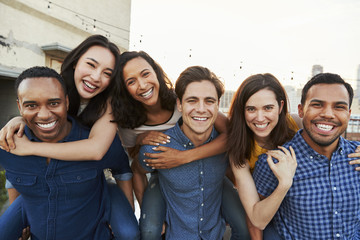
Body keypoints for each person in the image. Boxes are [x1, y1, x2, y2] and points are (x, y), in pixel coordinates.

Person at [0, 35, 139, 239]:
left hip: (92, 181)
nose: (95, 76)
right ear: (75, 63)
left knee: (127, 231)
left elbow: (96, 150)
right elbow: (18, 167)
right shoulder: (51, 85)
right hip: (42, 184)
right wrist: (18, 121)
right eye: (91, 65)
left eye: (107, 73)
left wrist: (30, 147)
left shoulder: (108, 105)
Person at [112, 51, 250, 239]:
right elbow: (137, 164)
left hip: (198, 166)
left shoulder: (184, 97)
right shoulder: (128, 122)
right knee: (150, 229)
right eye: (131, 81)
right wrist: (140, 139)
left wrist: (182, 157)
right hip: (163, 174)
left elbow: (231, 136)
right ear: (181, 104)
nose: (142, 85)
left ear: (156, 72)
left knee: (243, 222)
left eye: (145, 74)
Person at [253, 73, 360, 239]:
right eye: (317, 105)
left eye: (339, 107)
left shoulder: (357, 157)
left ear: (349, 113)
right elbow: (257, 220)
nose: (328, 114)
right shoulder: (273, 163)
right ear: (301, 110)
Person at [138, 65, 229, 239]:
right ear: (179, 104)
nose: (201, 109)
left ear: (218, 105)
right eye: (192, 100)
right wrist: (151, 216)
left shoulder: (226, 143)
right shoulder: (157, 148)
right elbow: (137, 171)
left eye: (209, 101)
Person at [227, 73, 299, 239]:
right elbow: (253, 212)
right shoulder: (240, 148)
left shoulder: (295, 123)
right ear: (242, 110)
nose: (260, 118)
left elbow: (328, 138)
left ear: (280, 107)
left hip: (294, 204)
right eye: (251, 109)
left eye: (268, 108)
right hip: (260, 203)